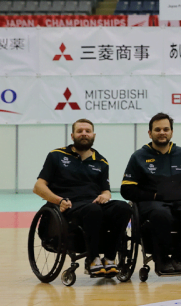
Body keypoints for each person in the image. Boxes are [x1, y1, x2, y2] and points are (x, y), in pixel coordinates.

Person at [33, 119, 132, 278]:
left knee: (124, 208)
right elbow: (38, 187)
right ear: (72, 136)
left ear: (93, 135)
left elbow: (106, 191)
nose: (84, 134)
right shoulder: (56, 156)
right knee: (93, 210)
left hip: (93, 205)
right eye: (80, 131)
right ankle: (91, 260)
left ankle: (109, 258)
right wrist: (58, 200)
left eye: (87, 131)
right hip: (67, 206)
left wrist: (105, 196)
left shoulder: (101, 161)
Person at [121, 113, 181, 275]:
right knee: (161, 214)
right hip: (153, 203)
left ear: (171, 132)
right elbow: (127, 189)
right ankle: (162, 258)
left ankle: (177, 257)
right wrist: (154, 196)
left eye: (166, 129)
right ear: (150, 133)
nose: (162, 132)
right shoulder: (139, 156)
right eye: (157, 129)